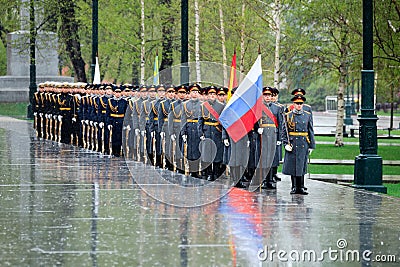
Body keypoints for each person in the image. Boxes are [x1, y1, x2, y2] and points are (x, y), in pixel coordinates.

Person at [282, 94, 315, 195]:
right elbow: (284, 132)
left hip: (303, 143)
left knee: (302, 165)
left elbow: (310, 131)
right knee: (293, 166)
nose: (299, 105)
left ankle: (301, 186)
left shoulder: (307, 115)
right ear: (294, 104)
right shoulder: (288, 116)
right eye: (297, 103)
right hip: (293, 143)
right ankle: (294, 187)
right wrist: (285, 144)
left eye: (301, 103)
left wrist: (312, 145)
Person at [198, 85, 225, 181]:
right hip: (207, 132)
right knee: (207, 155)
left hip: (217, 132)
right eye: (210, 93)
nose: (212, 95)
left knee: (217, 154)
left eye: (214, 93)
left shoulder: (221, 106)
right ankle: (209, 173)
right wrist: (200, 133)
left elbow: (224, 122)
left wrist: (224, 135)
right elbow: (200, 121)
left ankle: (216, 173)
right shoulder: (203, 106)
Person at [181, 83, 202, 177]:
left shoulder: (202, 105)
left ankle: (197, 170)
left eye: (196, 92)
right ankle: (190, 169)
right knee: (190, 151)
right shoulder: (185, 105)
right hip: (189, 129)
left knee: (198, 151)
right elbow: (183, 119)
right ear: (189, 93)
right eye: (193, 92)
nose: (195, 94)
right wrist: (183, 132)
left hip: (198, 130)